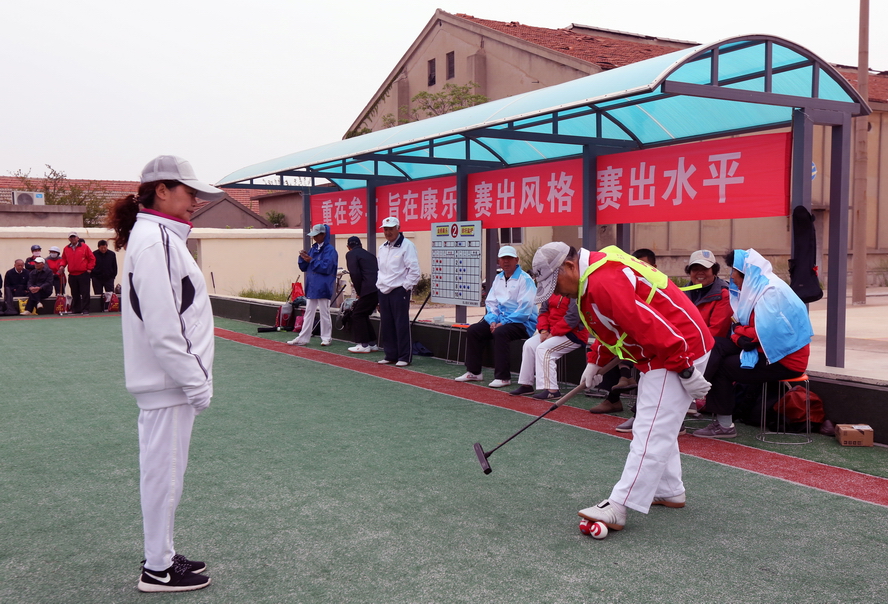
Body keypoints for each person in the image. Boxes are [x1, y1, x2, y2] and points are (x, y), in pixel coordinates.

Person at [531, 242, 712, 532]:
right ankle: (669, 490)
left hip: (676, 348)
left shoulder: (603, 281)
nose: (558, 293)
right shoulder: (593, 275)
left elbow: (649, 326)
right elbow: (615, 326)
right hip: (668, 348)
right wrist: (595, 361)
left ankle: (619, 505)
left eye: (556, 284)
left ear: (569, 266)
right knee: (655, 424)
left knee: (651, 430)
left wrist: (685, 369)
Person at [106, 155, 222, 592]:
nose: (195, 200)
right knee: (164, 476)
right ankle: (158, 568)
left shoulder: (157, 236)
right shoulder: (156, 241)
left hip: (166, 382)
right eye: (189, 191)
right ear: (161, 190)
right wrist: (196, 383)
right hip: (169, 383)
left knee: (163, 473)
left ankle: (162, 555)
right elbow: (164, 326)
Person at [694, 248, 812, 439]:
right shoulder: (760, 288)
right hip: (766, 350)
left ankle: (720, 422)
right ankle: (693, 388)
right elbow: (742, 329)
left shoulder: (770, 293)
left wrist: (739, 333)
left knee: (722, 367)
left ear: (746, 273)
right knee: (716, 344)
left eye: (734, 272)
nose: (732, 277)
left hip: (784, 359)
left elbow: (755, 335)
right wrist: (739, 334)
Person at [455, 245, 538, 388]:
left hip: (524, 324)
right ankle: (474, 372)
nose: (506, 261)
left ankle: (503, 377)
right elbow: (491, 303)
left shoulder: (525, 279)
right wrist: (492, 320)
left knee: (500, 332)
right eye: (503, 258)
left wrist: (503, 323)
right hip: (501, 321)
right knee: (474, 330)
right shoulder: (498, 278)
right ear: (499, 261)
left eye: (509, 258)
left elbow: (524, 310)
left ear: (516, 260)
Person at [589, 248, 657, 416]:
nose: (639, 270)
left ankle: (626, 385)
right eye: (635, 266)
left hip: (655, 342)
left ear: (654, 267)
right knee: (612, 346)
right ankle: (618, 390)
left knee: (627, 344)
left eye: (644, 266)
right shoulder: (627, 287)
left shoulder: (659, 288)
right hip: (634, 339)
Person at [510, 292, 588, 399]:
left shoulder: (575, 292)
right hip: (551, 331)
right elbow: (543, 312)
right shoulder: (551, 291)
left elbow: (572, 318)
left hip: (573, 334)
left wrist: (553, 333)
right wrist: (543, 330)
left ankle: (552, 390)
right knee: (529, 345)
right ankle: (526, 385)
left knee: (544, 349)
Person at [376, 216, 421, 366]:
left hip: (399, 291)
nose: (388, 232)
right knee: (386, 324)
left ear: (398, 229)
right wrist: (379, 286)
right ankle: (390, 355)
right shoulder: (382, 247)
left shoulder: (407, 246)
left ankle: (404, 357)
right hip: (383, 290)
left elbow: (414, 271)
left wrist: (404, 288)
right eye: (385, 229)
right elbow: (380, 270)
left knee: (401, 324)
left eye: (391, 229)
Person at [287, 224, 338, 347]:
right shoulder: (313, 248)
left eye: (316, 235)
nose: (314, 238)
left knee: (324, 312)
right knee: (309, 312)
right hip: (312, 284)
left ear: (323, 235)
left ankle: (326, 337)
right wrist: (302, 258)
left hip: (323, 284)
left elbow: (327, 267)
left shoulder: (330, 250)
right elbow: (304, 267)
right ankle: (303, 337)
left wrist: (311, 260)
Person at [345, 236, 380, 353]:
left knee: (357, 315)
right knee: (363, 314)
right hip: (378, 288)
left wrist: (359, 291)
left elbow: (355, 274)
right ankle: (372, 343)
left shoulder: (350, 254)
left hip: (367, 288)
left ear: (348, 247)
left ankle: (363, 344)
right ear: (361, 245)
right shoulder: (370, 255)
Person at [59, 232, 95, 314]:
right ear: (69, 239)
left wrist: (89, 268)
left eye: (74, 237)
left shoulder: (85, 247)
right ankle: (76, 309)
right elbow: (64, 259)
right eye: (71, 237)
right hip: (72, 274)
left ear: (78, 238)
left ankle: (85, 309)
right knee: (74, 293)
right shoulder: (66, 249)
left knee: (85, 292)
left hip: (83, 273)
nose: (73, 239)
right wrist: (62, 265)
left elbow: (92, 258)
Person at [91, 239, 118, 305]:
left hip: (109, 278)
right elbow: (91, 265)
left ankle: (109, 307)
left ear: (107, 247)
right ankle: (99, 307)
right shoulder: (94, 254)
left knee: (110, 294)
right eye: (101, 248)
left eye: (105, 247)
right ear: (98, 247)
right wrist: (93, 276)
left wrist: (113, 276)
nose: (103, 249)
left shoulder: (112, 254)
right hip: (97, 278)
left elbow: (114, 266)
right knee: (98, 294)